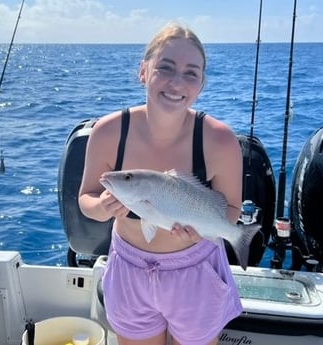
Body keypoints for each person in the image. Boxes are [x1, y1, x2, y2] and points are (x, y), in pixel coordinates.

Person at [79, 21, 243, 345]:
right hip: (128, 269)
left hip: (196, 270)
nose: (176, 82)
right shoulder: (108, 131)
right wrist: (102, 207)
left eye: (191, 73)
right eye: (165, 68)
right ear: (143, 71)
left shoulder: (220, 140)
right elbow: (86, 198)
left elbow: (232, 210)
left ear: (201, 84)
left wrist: (206, 230)